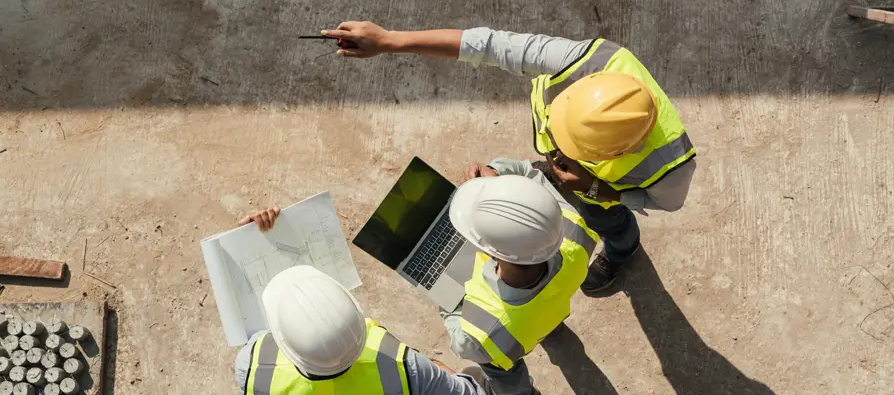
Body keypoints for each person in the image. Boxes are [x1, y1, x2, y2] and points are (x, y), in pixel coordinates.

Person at [321, 22, 697, 294]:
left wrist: (600, 190)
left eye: (569, 147)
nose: (555, 150)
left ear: (615, 151)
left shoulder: (671, 168)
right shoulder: (585, 60)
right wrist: (390, 40)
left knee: (609, 223)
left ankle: (622, 248)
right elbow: (487, 45)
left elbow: (666, 204)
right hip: (585, 179)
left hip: (600, 193)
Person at [233, 208, 487, 395]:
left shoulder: (253, 367)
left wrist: (248, 241)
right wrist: (432, 369)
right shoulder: (404, 366)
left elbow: (257, 330)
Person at [440, 173, 600, 395]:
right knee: (543, 315)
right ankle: (551, 330)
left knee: (500, 370)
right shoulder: (575, 231)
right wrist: (497, 176)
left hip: (511, 338)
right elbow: (530, 176)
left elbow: (461, 343)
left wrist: (445, 301)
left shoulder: (482, 335)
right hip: (547, 311)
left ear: (488, 252)